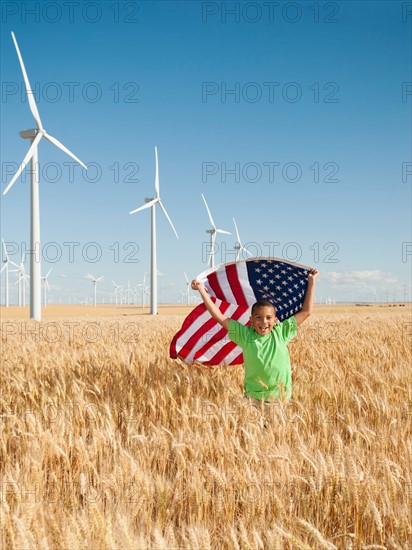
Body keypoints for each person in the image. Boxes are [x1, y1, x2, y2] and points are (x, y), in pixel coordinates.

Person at [191, 268, 319, 405]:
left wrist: (311, 282)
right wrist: (201, 291)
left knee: (274, 427)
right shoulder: (245, 335)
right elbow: (221, 318)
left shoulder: (281, 332)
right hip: (252, 400)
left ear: (275, 320)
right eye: (259, 317)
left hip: (279, 399)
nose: (264, 322)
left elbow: (306, 311)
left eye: (268, 318)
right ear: (251, 320)